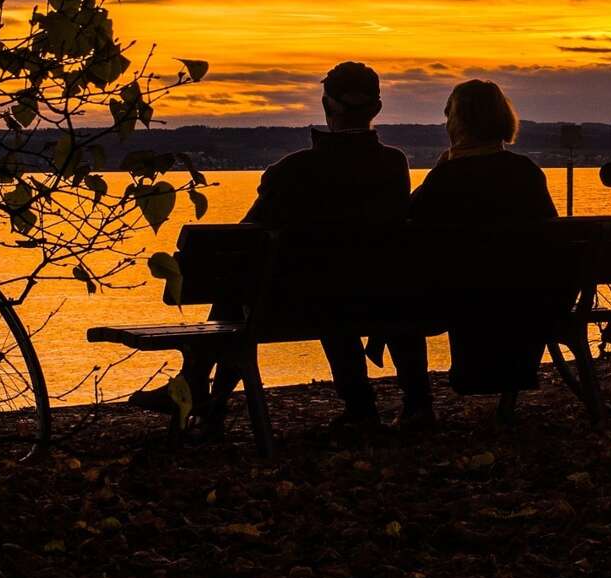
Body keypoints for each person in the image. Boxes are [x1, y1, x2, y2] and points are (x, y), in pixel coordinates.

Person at [130, 61, 415, 428]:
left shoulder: (293, 171)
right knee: (295, 284)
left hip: (295, 306)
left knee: (242, 280)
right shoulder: (394, 165)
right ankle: (203, 391)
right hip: (378, 298)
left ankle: (199, 388)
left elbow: (242, 240)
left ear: (328, 105)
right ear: (376, 108)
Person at [408, 80, 558, 409]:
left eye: (448, 114)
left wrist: (441, 167)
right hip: (530, 296)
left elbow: (408, 221)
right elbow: (552, 235)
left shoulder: (448, 177)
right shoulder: (527, 172)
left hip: (465, 297)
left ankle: (417, 405)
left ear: (460, 121)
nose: (446, 121)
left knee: (397, 304)